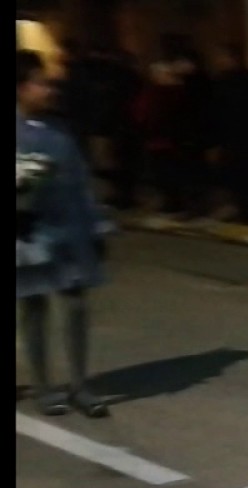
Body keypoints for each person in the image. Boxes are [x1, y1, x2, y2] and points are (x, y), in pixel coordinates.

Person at [17, 49, 112, 419]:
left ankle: (80, 385)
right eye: (41, 83)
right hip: (29, 232)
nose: (49, 89)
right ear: (21, 88)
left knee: (75, 304)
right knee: (34, 306)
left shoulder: (60, 128)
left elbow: (80, 181)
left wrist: (97, 225)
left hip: (68, 228)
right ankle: (44, 387)